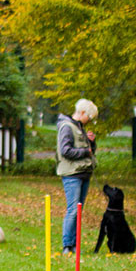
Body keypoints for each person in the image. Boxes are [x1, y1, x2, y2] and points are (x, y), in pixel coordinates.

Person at [56, 99, 98, 254]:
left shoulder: (80, 128)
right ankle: (67, 245)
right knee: (73, 210)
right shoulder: (67, 127)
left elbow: (89, 150)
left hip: (84, 172)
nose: (90, 120)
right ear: (82, 113)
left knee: (79, 210)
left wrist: (91, 143)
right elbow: (65, 151)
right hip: (72, 174)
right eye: (90, 117)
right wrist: (85, 152)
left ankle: (75, 244)